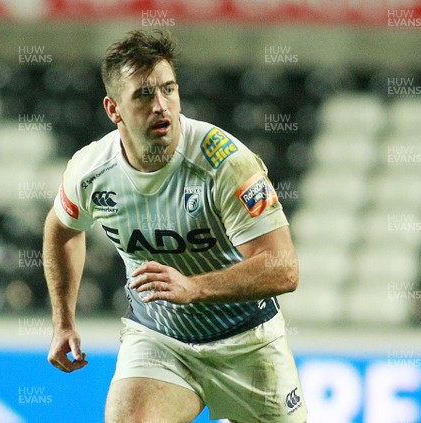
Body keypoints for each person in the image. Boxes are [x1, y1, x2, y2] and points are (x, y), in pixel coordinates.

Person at [44, 29, 307, 423]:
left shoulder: (226, 164)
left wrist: (195, 287)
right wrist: (63, 322)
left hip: (247, 343)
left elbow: (283, 267)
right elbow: (62, 229)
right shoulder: (90, 171)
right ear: (113, 108)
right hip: (160, 339)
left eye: (169, 90)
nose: (161, 106)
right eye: (144, 95)